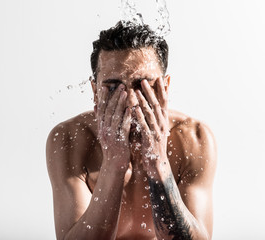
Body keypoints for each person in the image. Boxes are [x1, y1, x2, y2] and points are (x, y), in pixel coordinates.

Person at [46, 21, 217, 240]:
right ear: (95, 92)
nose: (132, 101)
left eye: (143, 85)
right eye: (114, 88)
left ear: (165, 87)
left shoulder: (194, 138)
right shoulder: (69, 140)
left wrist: (158, 162)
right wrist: (113, 165)